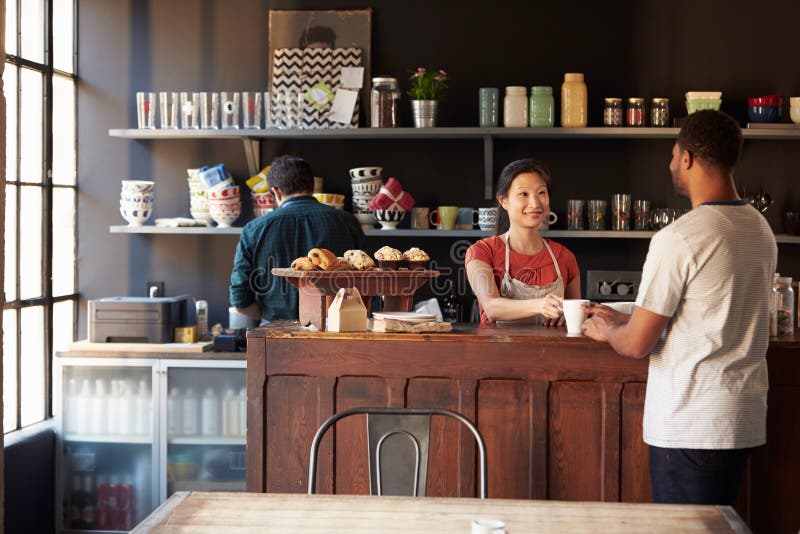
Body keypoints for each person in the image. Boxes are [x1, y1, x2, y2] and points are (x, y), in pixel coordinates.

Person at [581, 110, 777, 505]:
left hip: (692, 422)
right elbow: (708, 314)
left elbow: (636, 345)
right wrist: (626, 317)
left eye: (673, 154)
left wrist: (607, 331)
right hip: (742, 418)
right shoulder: (759, 228)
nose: (670, 164)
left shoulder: (682, 237)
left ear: (687, 157)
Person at [230, 155, 364, 323]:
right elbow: (367, 281)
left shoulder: (254, 229)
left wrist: (267, 316)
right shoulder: (347, 222)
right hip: (337, 330)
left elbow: (239, 299)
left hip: (277, 332)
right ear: (313, 185)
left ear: (276, 192)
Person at [465, 159, 581, 326]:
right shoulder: (482, 252)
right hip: (498, 351)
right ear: (503, 201)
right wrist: (540, 304)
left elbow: (575, 317)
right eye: (523, 194)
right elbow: (491, 307)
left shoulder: (565, 257)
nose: (534, 203)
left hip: (552, 352)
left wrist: (568, 316)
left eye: (541, 192)